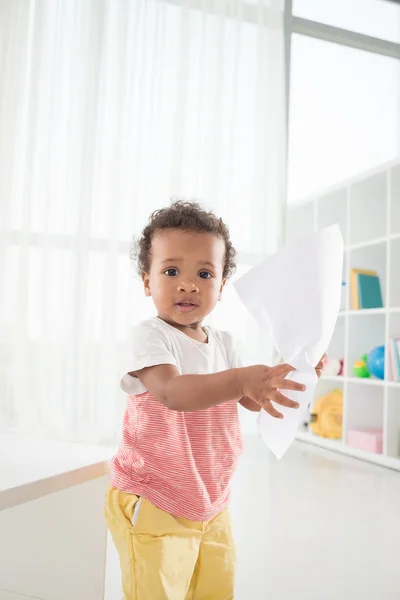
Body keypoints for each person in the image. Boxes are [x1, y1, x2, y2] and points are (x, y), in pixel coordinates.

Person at [105, 201, 323, 600]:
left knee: (213, 592)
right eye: (171, 271)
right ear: (146, 281)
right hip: (156, 499)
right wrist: (241, 379)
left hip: (211, 501)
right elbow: (172, 393)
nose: (188, 284)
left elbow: (252, 401)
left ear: (221, 287)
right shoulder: (150, 337)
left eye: (204, 273)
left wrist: (289, 376)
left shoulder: (225, 344)